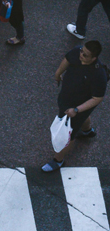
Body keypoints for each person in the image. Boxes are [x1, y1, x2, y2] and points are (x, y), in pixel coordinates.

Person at [45, 40, 107, 172]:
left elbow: (97, 98)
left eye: (85, 55)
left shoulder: (99, 75)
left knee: (68, 134)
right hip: (66, 100)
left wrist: (77, 110)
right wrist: (58, 73)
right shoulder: (77, 52)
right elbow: (67, 60)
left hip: (77, 107)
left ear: (94, 58)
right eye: (81, 51)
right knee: (80, 120)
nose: (80, 55)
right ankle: (87, 131)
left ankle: (58, 160)